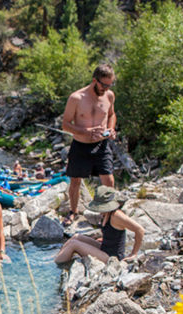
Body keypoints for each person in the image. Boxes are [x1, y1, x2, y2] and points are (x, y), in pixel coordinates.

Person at [61, 64, 117, 224]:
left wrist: (111, 129)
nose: (106, 88)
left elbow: (112, 114)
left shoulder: (109, 96)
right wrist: (85, 132)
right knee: (75, 181)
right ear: (94, 80)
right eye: (103, 85)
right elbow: (65, 124)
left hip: (102, 144)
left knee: (109, 180)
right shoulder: (76, 98)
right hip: (81, 144)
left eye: (109, 85)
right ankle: (73, 212)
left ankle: (109, 213)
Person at [54, 186, 144, 264]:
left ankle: (55, 265)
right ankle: (58, 258)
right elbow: (114, 232)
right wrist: (105, 238)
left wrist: (134, 253)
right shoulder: (106, 213)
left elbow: (139, 230)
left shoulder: (116, 215)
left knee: (74, 244)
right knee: (76, 237)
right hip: (104, 247)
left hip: (111, 257)